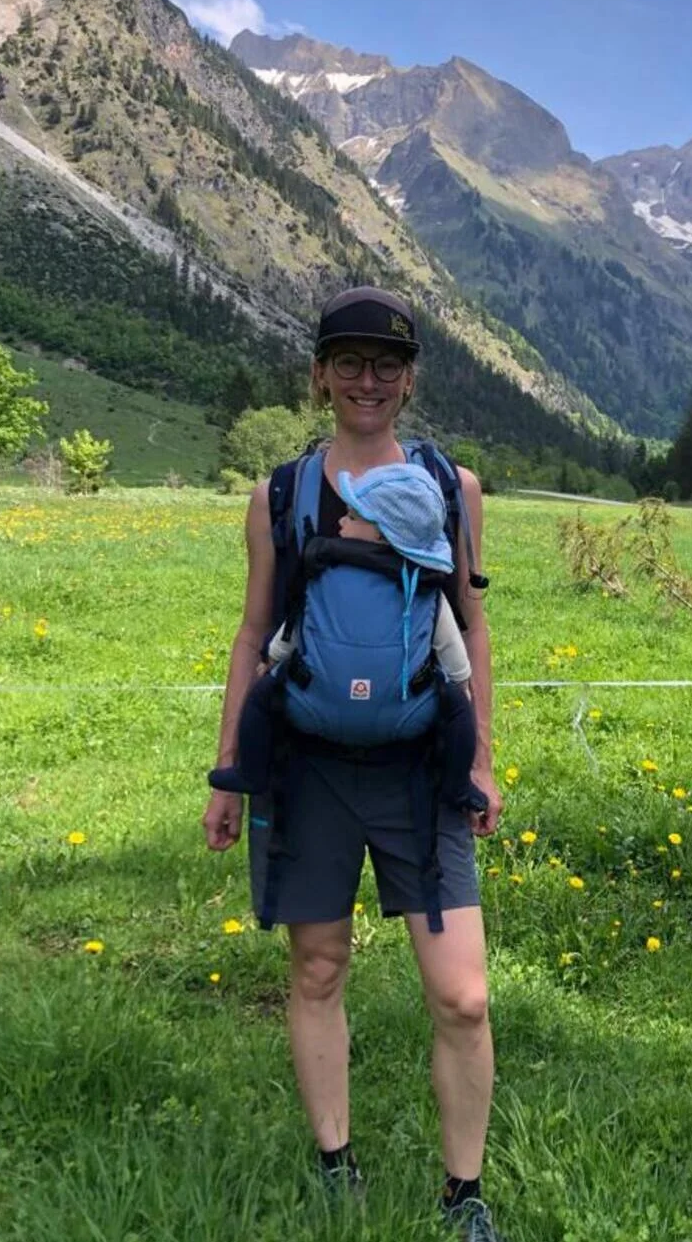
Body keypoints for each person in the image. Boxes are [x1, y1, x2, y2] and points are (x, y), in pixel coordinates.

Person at [202, 285, 506, 1242]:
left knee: (463, 993)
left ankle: (465, 1193)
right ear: (320, 374)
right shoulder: (281, 495)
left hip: (422, 768)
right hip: (309, 766)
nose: (366, 379)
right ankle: (336, 1162)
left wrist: (485, 758)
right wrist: (227, 769)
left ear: (410, 378)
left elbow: (472, 621)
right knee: (318, 966)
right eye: (348, 362)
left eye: (386, 363)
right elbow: (254, 631)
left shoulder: (452, 487)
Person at [206, 460, 483, 818]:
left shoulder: (321, 570)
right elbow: (451, 650)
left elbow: (294, 626)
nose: (340, 522)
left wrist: (272, 661)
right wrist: (460, 683)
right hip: (407, 711)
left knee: (262, 696)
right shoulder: (423, 587)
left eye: (352, 517)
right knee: (459, 711)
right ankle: (458, 785)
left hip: (311, 705)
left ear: (385, 532)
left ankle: (251, 771)